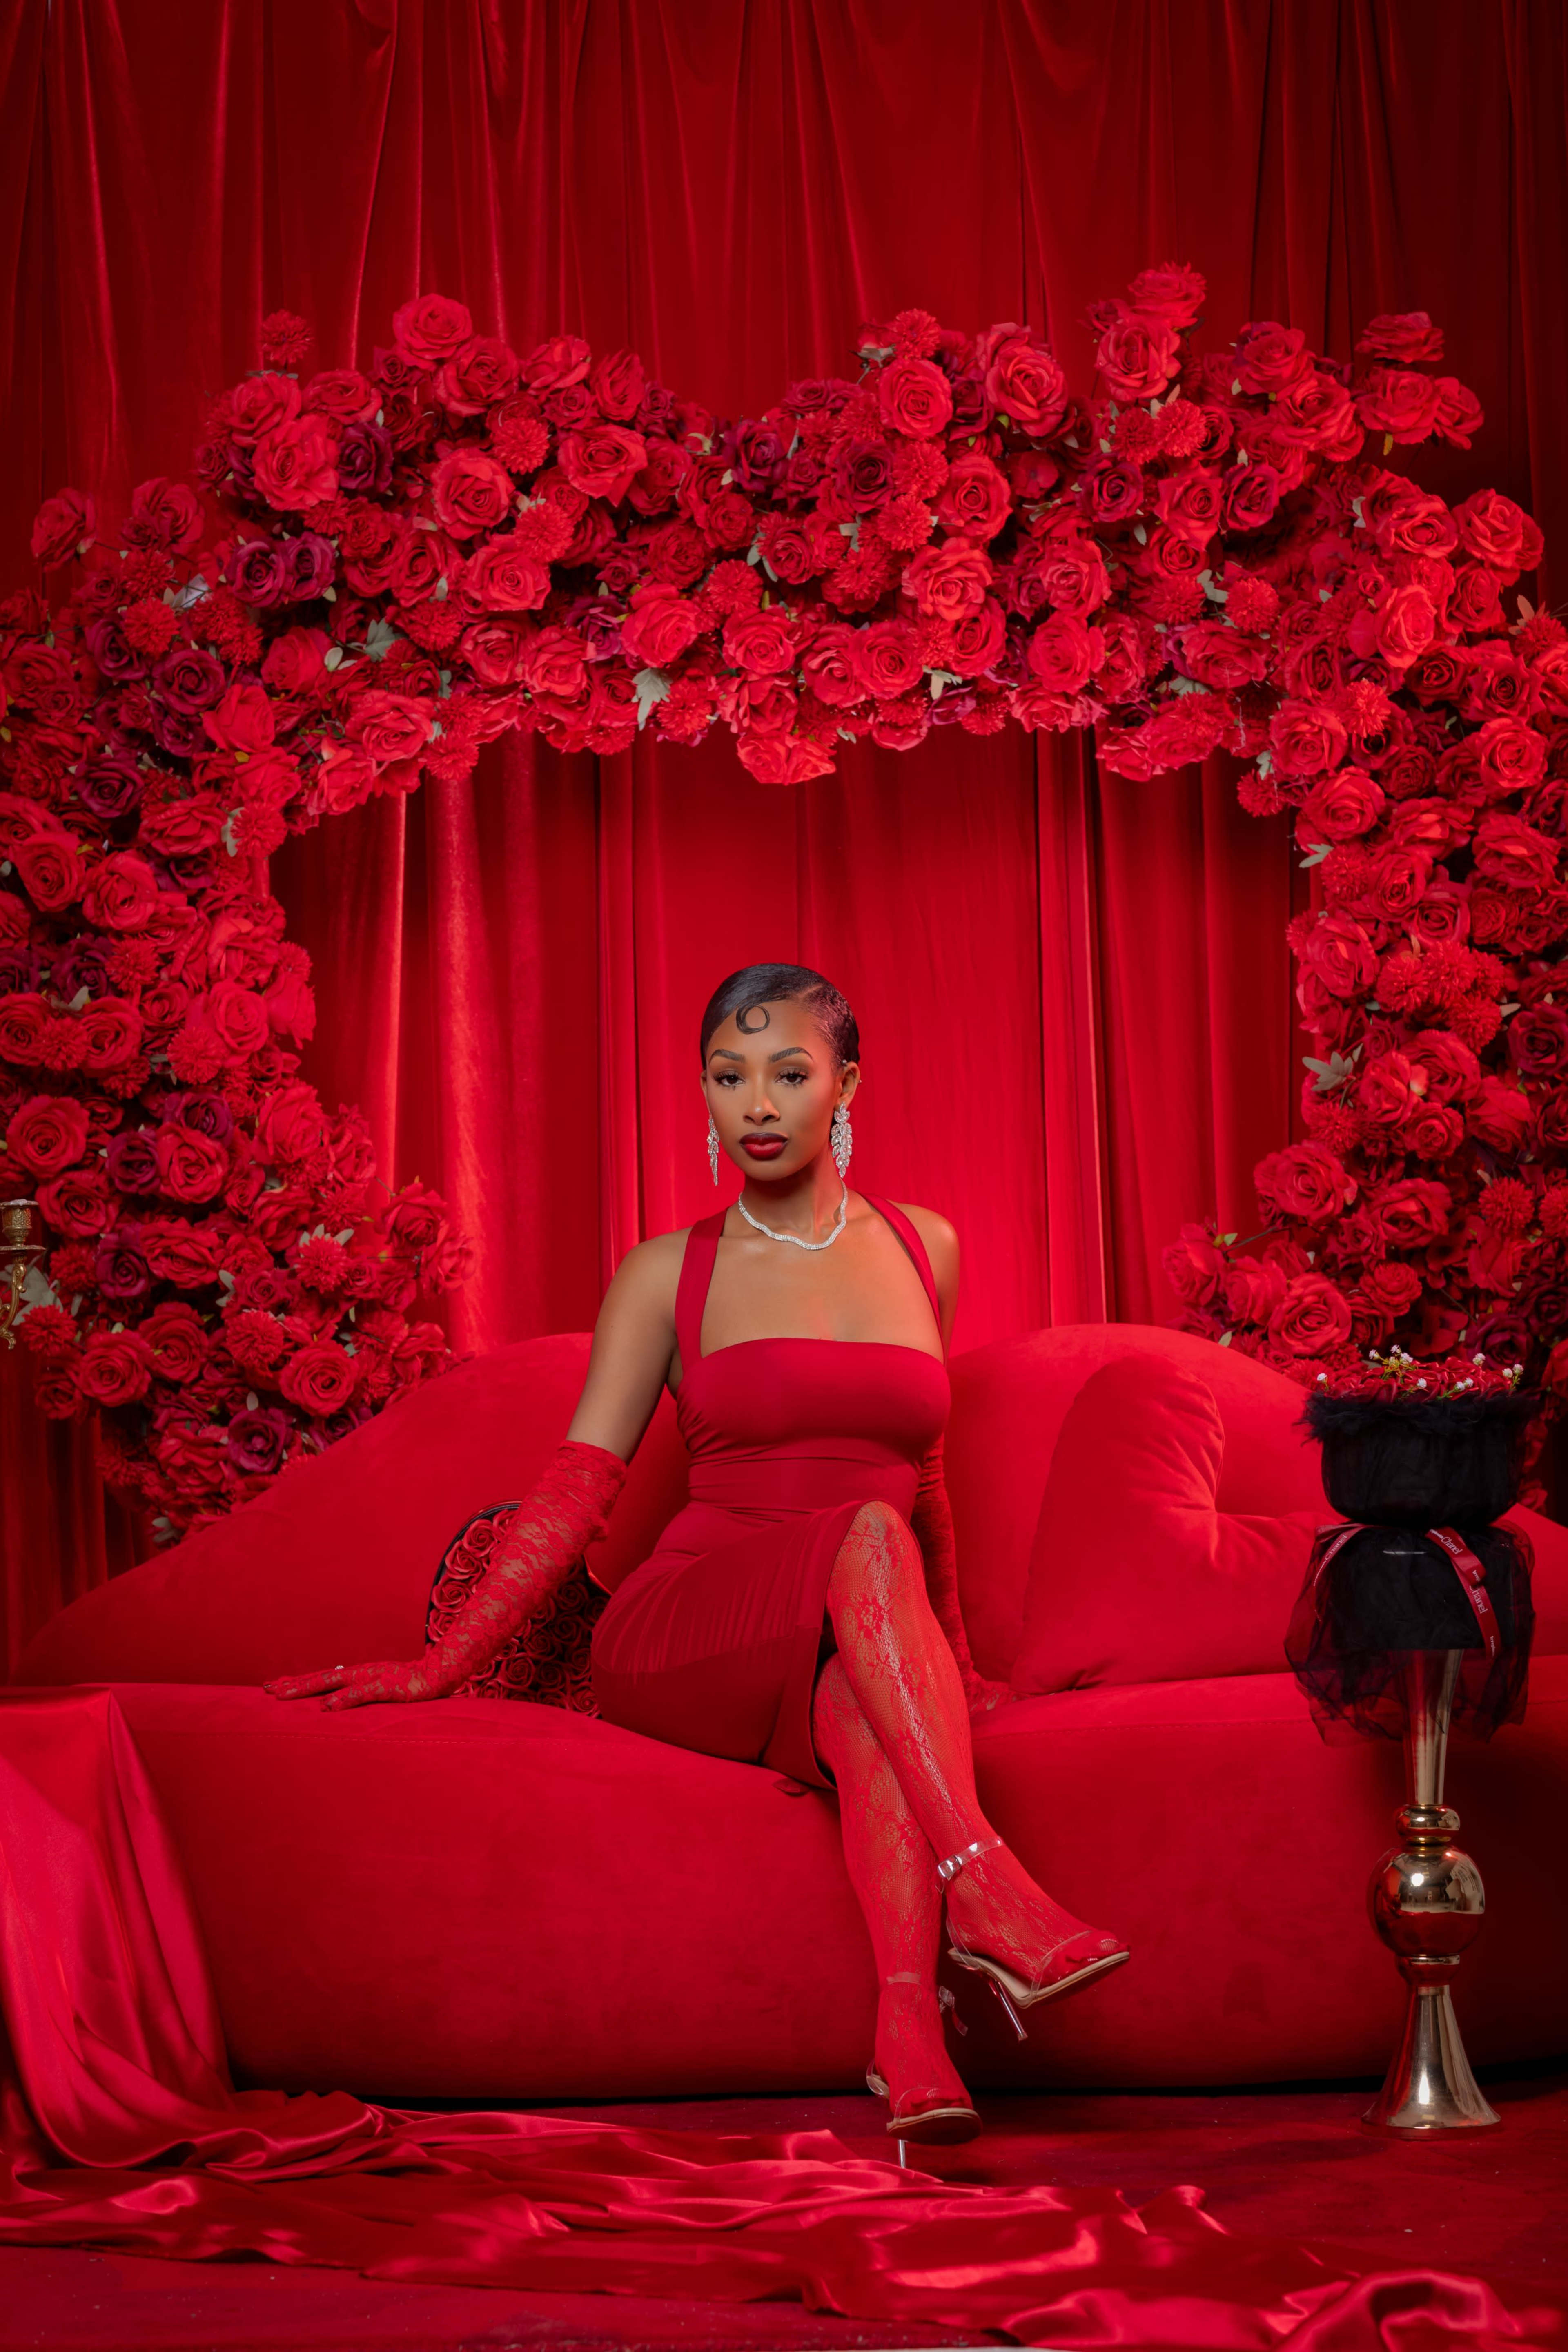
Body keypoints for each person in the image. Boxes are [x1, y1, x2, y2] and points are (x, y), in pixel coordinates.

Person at [266, 963, 1129, 2143]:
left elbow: (922, 1479)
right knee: (866, 1540)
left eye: (787, 1074)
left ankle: (909, 2039)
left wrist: (953, 1662)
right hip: (690, 1628)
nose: (758, 1105)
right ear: (707, 1097)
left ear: (845, 1087)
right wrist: (441, 1664)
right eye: (730, 1079)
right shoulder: (665, 1275)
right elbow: (580, 1488)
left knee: (863, 1691)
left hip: (854, 1622)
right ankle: (980, 1878)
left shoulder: (926, 1249)